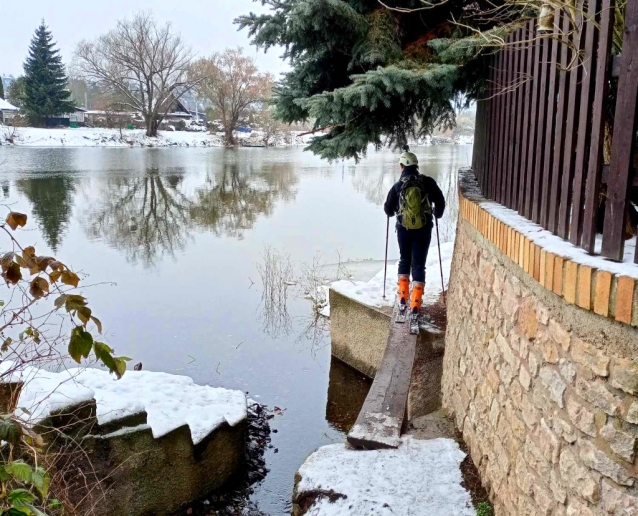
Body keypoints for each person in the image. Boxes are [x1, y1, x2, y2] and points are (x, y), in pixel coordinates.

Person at [383, 148, 446, 316]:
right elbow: (440, 201)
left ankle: (403, 297)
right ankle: (416, 304)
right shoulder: (428, 182)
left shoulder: (397, 186)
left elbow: (388, 210)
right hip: (424, 229)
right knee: (419, 264)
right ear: (416, 165)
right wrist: (437, 214)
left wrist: (393, 210)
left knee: (405, 260)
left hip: (404, 230)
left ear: (402, 166)